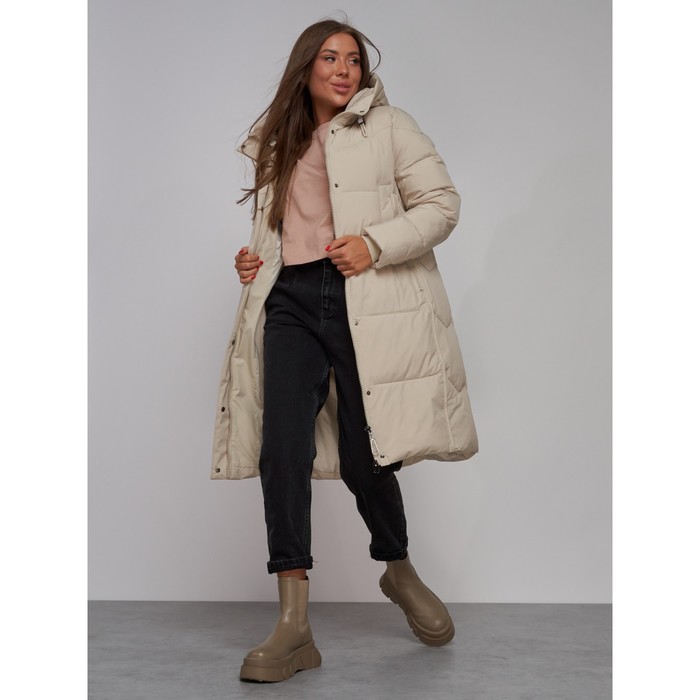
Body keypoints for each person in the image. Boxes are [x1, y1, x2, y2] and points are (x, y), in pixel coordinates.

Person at [211, 18, 479, 683]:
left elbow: (442, 204)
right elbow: (283, 227)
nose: (342, 69)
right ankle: (294, 624)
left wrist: (375, 244)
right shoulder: (278, 137)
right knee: (281, 450)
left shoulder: (390, 127)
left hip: (364, 297)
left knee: (368, 453)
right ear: (306, 67)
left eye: (353, 60)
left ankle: (398, 568)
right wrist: (255, 260)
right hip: (290, 302)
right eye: (329, 58)